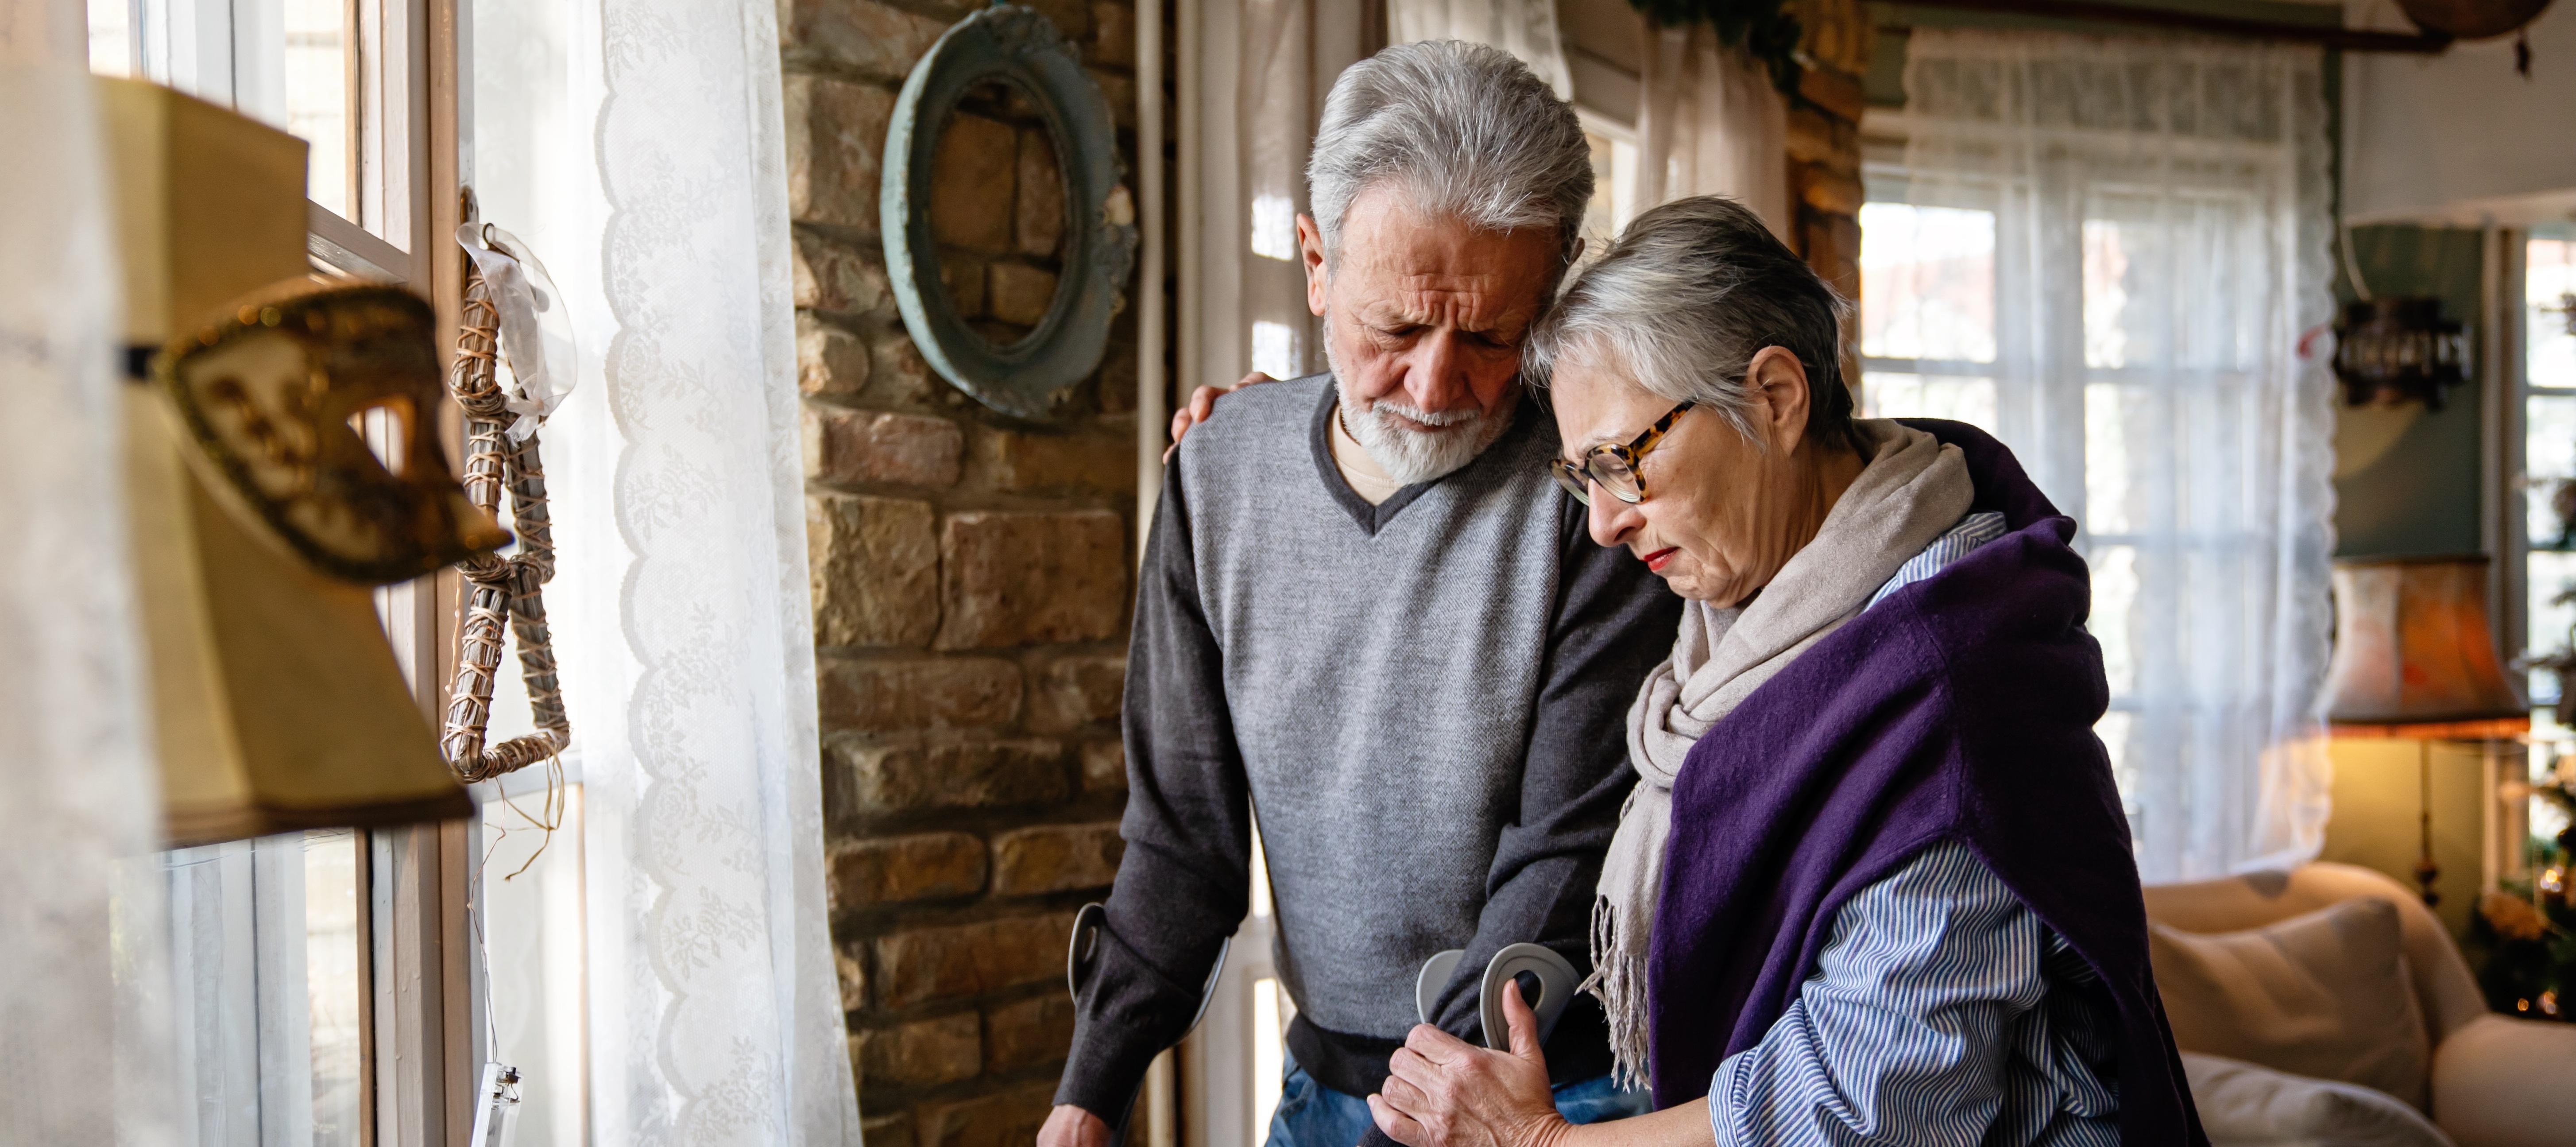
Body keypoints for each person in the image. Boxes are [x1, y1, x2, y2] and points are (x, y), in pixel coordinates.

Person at [1364, 198, 2208, 1147]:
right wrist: (1276, 421)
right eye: (1579, 475)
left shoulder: (1951, 681)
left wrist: (1540, 1142)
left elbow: (1875, 1108)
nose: (1601, 521)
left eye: (1618, 462)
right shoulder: (1754, 601)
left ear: (1774, 396)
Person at [1038, 41, 1683, 1147]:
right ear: (1314, 261)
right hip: (1321, 1083)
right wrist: (1088, 1093)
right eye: (1392, 327)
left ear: (1557, 281)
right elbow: (1181, 839)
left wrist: (1417, 1116)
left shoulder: (1600, 494)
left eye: (1488, 334)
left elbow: (1557, 863)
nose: (1436, 386)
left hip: (1553, 1092)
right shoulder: (1214, 473)